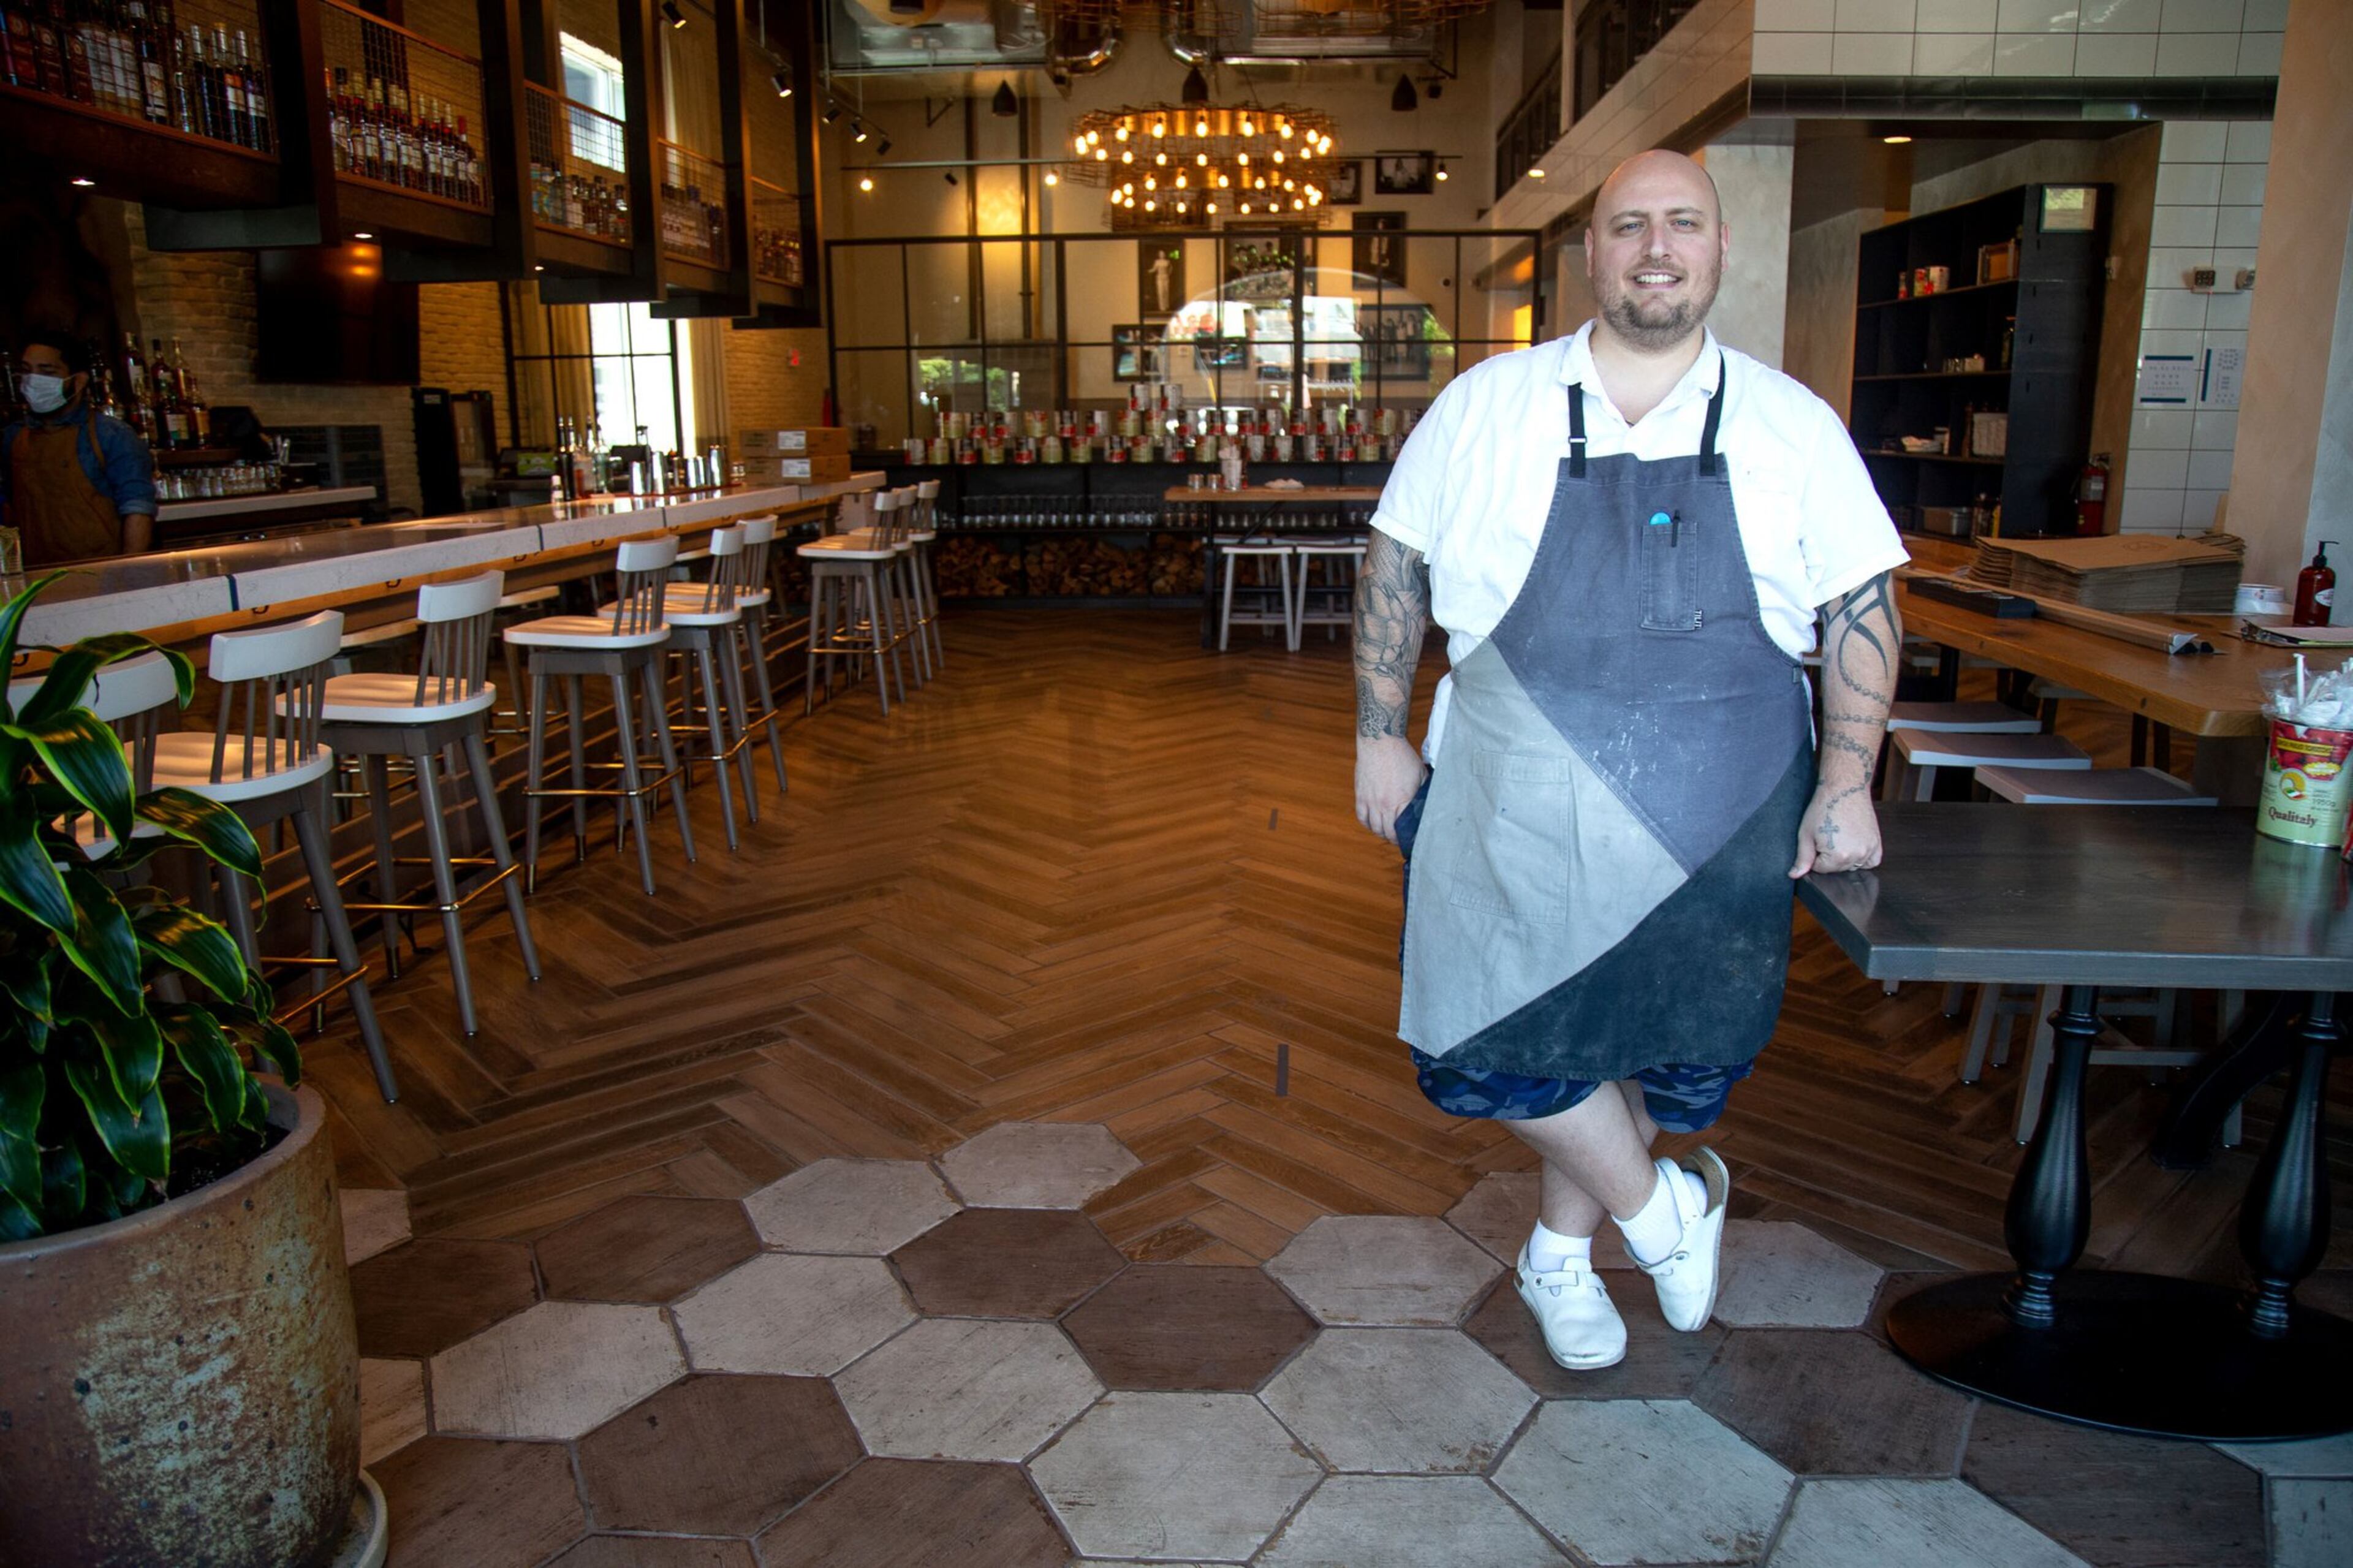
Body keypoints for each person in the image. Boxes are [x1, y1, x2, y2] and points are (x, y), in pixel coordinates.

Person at [1351, 150, 1906, 1370]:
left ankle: (1561, 1257)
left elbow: (1864, 601)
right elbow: (1395, 561)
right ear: (1590, 253)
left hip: (1719, 809)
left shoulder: (1790, 424)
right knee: (1482, 1039)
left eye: (1684, 224)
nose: (1657, 246)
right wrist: (1379, 727)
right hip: (1512, 793)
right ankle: (1667, 1217)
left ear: (1719, 248)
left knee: (1648, 1043)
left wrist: (1849, 779)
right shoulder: (1488, 405)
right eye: (1630, 226)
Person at [2, 333, 157, 564]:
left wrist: (130, 573)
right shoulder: (13, 437)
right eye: (27, 371)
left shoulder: (112, 436)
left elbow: (138, 509)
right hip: (37, 582)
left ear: (79, 380)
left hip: (102, 576)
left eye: (47, 372)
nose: (33, 381)